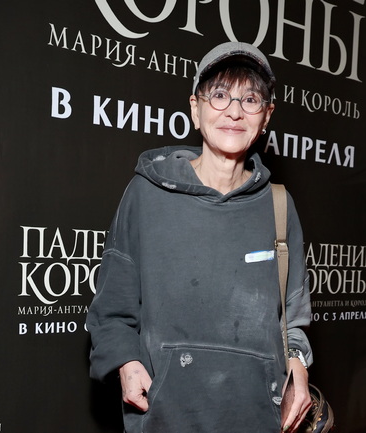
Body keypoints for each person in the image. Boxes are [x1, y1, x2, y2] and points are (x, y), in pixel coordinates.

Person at [86, 42, 313, 433]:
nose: (235, 111)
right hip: (165, 418)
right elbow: (112, 311)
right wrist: (127, 364)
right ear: (195, 108)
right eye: (220, 95)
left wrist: (299, 369)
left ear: (266, 116)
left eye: (250, 99)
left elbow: (293, 319)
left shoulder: (279, 204)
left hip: (256, 419)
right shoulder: (146, 194)